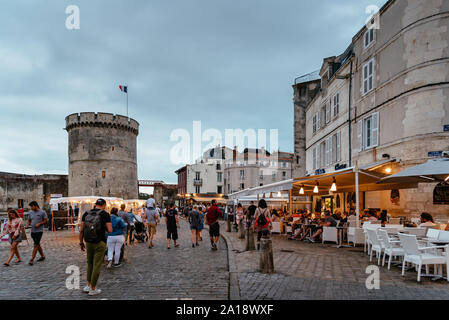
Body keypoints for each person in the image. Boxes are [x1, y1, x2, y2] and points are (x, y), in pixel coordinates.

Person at [79, 198, 112, 296]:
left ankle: (88, 285)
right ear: (104, 205)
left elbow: (81, 230)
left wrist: (81, 242)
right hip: (100, 242)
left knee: (90, 264)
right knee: (97, 265)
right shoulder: (105, 214)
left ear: (95, 204)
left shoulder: (86, 213)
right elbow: (110, 230)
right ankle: (93, 288)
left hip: (88, 242)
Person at [26, 201, 49, 266]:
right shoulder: (30, 212)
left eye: (32, 206)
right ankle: (42, 256)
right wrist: (27, 224)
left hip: (39, 231)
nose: (31, 208)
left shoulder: (42, 212)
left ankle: (32, 259)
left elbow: (46, 220)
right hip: (33, 231)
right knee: (37, 244)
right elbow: (29, 220)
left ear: (35, 205)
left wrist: (39, 223)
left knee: (35, 244)